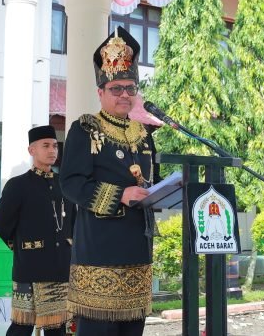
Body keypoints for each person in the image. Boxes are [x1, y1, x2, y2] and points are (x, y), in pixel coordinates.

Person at [60, 27, 159, 336]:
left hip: (138, 248)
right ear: (100, 92)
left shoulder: (144, 135)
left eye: (131, 88)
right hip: (100, 250)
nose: (125, 95)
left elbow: (152, 181)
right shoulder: (85, 130)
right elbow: (72, 183)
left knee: (133, 331)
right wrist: (120, 195)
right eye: (116, 88)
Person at [0, 125, 76, 336]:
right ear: (32, 150)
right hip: (29, 267)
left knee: (57, 327)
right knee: (22, 326)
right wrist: (23, 247)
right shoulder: (17, 185)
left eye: (55, 146)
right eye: (46, 146)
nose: (52, 151)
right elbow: (1, 225)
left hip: (59, 267)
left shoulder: (63, 185)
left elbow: (73, 223)